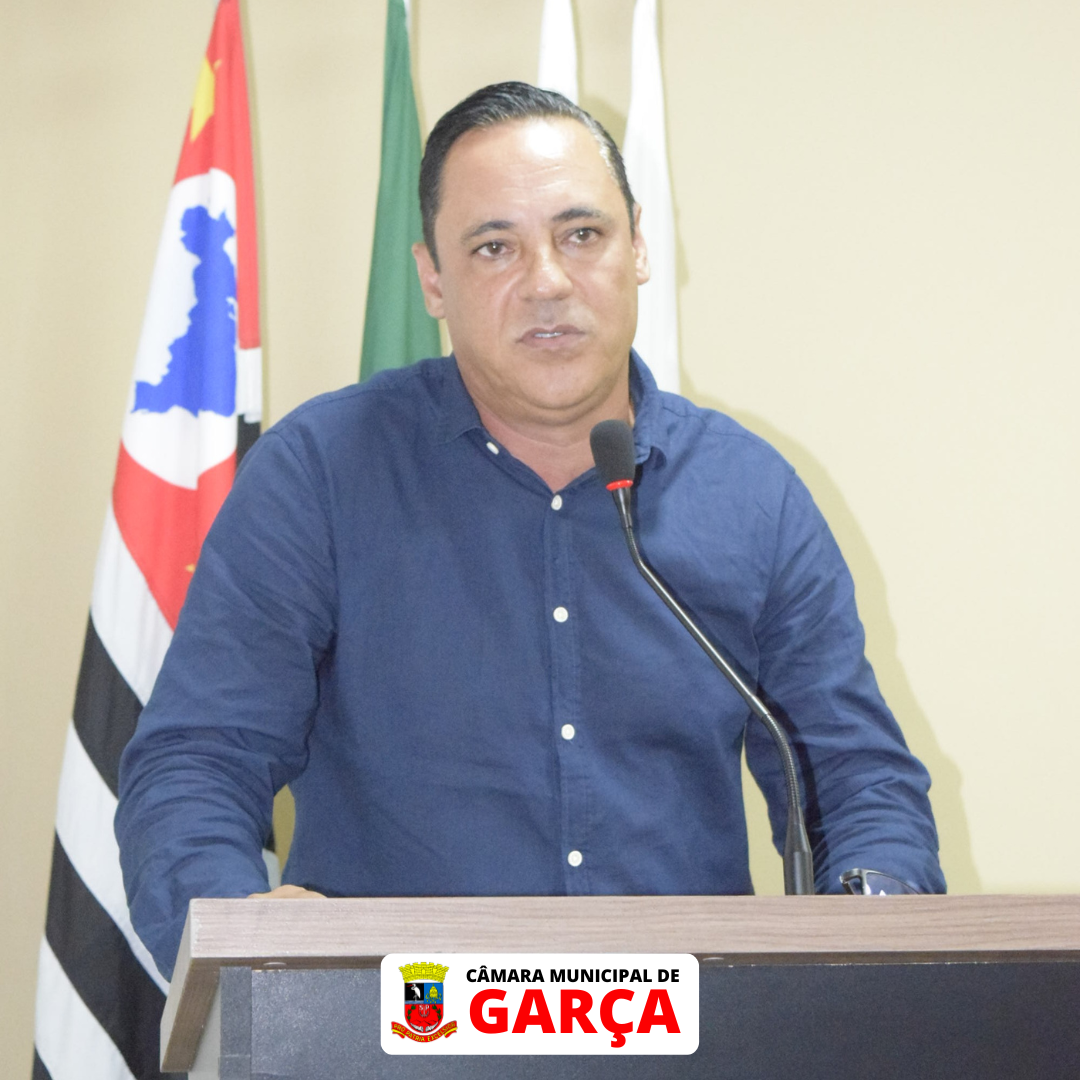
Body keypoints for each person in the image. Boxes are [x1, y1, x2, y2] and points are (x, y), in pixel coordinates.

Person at [116, 82, 945, 980]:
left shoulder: (750, 496)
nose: (548, 281)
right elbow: (199, 761)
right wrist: (246, 951)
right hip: (392, 1025)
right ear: (433, 280)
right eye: (495, 247)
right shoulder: (320, 474)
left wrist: (876, 922)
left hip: (694, 1029)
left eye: (582, 234)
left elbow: (854, 780)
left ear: (638, 247)